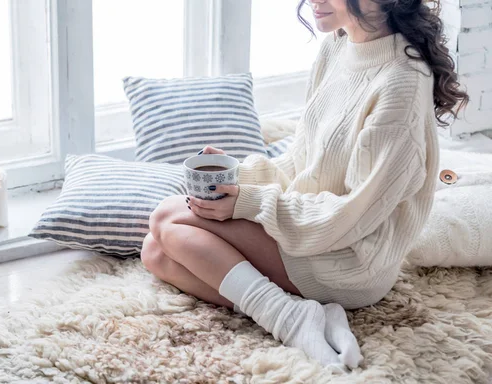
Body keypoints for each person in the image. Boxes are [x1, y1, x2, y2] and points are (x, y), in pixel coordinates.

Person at [140, 0, 469, 370]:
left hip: (352, 256)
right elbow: (303, 160)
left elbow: (354, 214)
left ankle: (290, 320)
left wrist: (249, 203)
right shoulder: (338, 44)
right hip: (313, 227)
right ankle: (300, 312)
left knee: (167, 217)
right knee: (155, 252)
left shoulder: (402, 82)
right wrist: (240, 179)